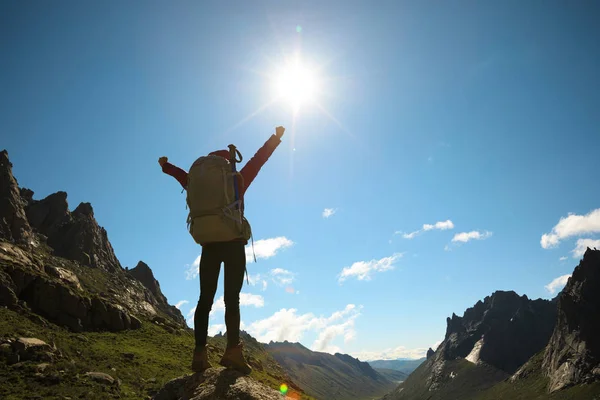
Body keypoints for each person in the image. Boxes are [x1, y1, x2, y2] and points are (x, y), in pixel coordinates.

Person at [158, 126, 285, 374]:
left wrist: (165, 165)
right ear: (227, 164)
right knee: (231, 300)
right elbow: (259, 160)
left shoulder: (197, 179)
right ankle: (233, 353)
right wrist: (276, 138)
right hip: (233, 244)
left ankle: (199, 354)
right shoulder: (235, 178)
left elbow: (180, 175)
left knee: (204, 300)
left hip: (208, 246)